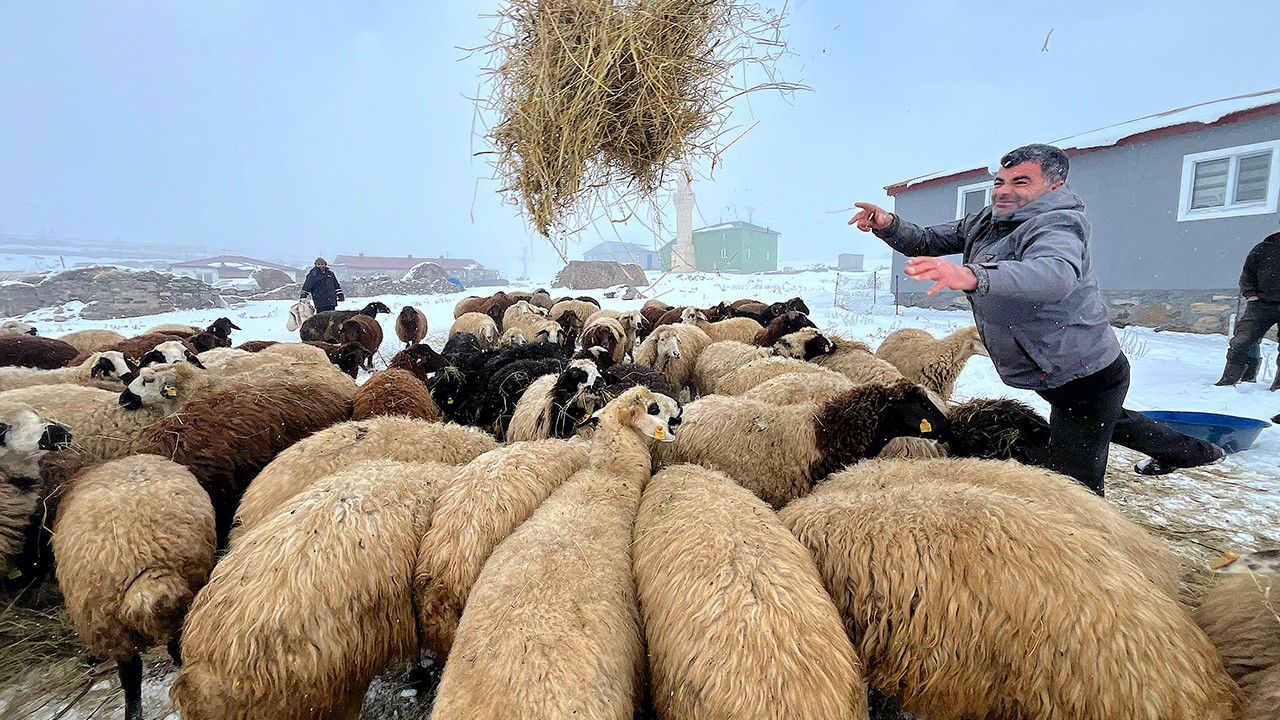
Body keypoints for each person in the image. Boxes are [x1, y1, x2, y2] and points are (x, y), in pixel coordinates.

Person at [849, 143, 1223, 495]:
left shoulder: (1058, 226)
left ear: (1054, 185)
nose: (1003, 190)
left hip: (1083, 370)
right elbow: (928, 240)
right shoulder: (988, 220)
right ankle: (1192, 452)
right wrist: (888, 224)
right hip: (1048, 364)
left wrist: (975, 276)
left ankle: (1088, 544)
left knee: (1074, 481)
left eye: (1020, 181)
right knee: (1106, 421)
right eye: (1000, 181)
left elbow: (1053, 274)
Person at [1214, 230, 1280, 388]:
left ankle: (1278, 387)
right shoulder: (1264, 248)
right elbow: (1247, 273)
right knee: (1241, 341)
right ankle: (1231, 380)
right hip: (1261, 304)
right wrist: (1250, 294)